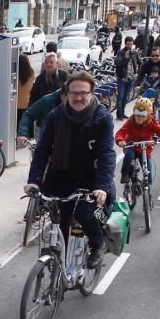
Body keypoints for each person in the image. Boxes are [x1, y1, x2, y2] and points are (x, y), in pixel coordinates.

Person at [26, 71, 116, 270]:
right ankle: (59, 271)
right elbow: (42, 150)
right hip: (61, 177)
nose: (78, 97)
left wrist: (102, 186)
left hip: (91, 180)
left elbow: (106, 154)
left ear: (92, 93)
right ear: (67, 93)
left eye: (83, 93)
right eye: (74, 93)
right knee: (59, 225)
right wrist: (34, 180)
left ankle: (97, 244)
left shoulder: (102, 118)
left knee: (85, 213)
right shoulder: (56, 116)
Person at [115, 98, 160, 186]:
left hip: (145, 148)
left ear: (148, 114)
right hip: (131, 146)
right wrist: (120, 140)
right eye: (137, 115)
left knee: (147, 169)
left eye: (143, 116)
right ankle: (124, 174)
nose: (140, 118)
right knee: (129, 156)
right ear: (134, 113)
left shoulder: (151, 122)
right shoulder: (130, 121)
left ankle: (146, 186)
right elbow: (121, 132)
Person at [114, 35, 142, 120]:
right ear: (125, 44)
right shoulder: (121, 52)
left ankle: (123, 112)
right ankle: (119, 114)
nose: (129, 46)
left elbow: (140, 62)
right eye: (128, 44)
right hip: (122, 78)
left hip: (131, 78)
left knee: (126, 97)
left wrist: (138, 72)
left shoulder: (134, 53)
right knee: (121, 96)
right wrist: (125, 58)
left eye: (131, 44)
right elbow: (118, 63)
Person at [16, 53, 34, 128]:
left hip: (16, 104)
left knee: (17, 125)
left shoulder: (16, 73)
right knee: (27, 124)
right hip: (27, 103)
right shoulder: (31, 72)